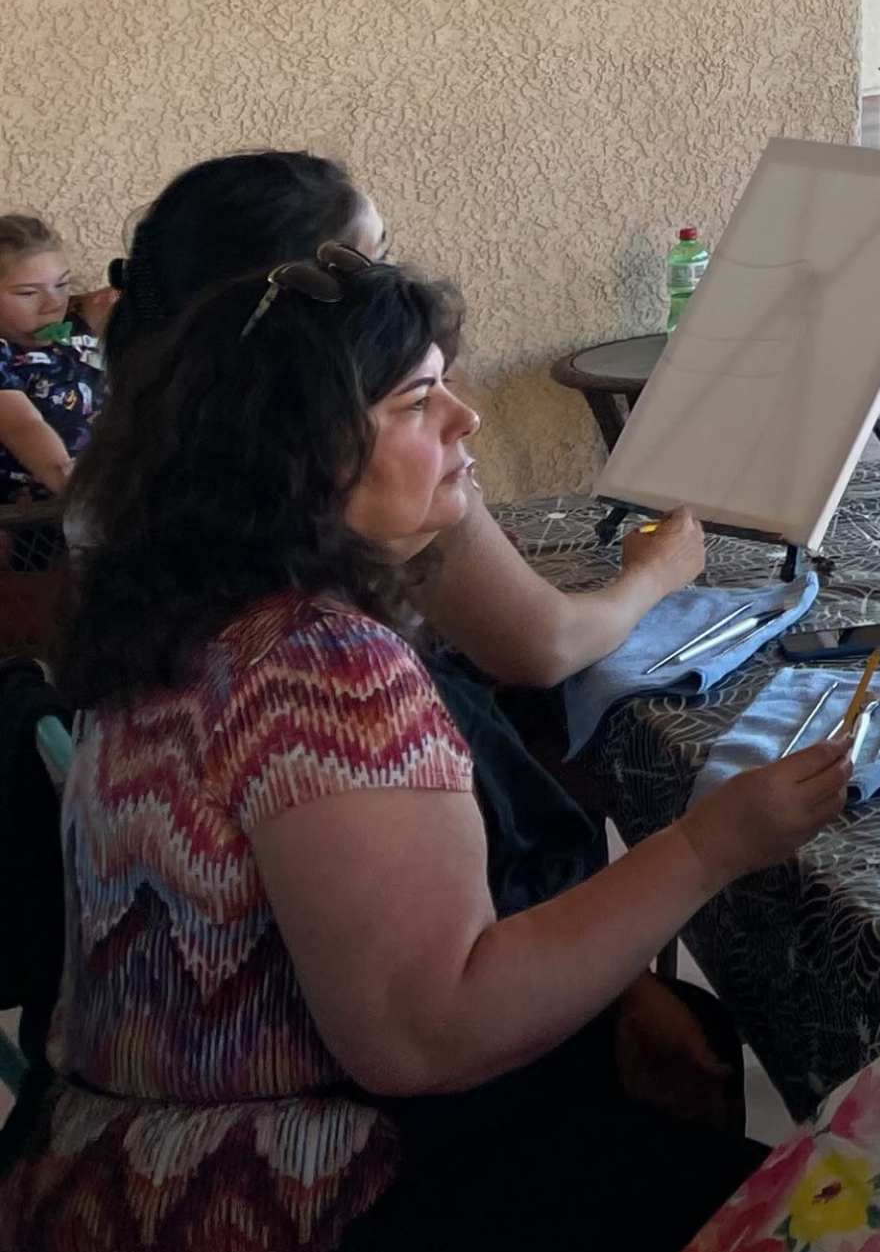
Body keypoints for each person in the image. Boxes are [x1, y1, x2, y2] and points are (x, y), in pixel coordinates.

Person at [0, 245, 851, 1252]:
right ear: (303, 454)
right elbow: (430, 1034)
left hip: (103, 1176)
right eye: (417, 403)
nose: (466, 419)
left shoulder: (174, 614)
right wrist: (711, 845)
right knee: (845, 1215)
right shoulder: (322, 668)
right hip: (277, 1201)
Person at [103, 152, 712, 914]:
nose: (466, 415)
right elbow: (540, 645)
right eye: (370, 263)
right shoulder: (326, 665)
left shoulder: (136, 459)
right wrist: (654, 574)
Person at [0, 215, 101, 503]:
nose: (53, 303)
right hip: (33, 514)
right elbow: (21, 426)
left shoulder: (77, 326)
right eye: (28, 292)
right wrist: (77, 492)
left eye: (63, 284)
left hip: (102, 491)